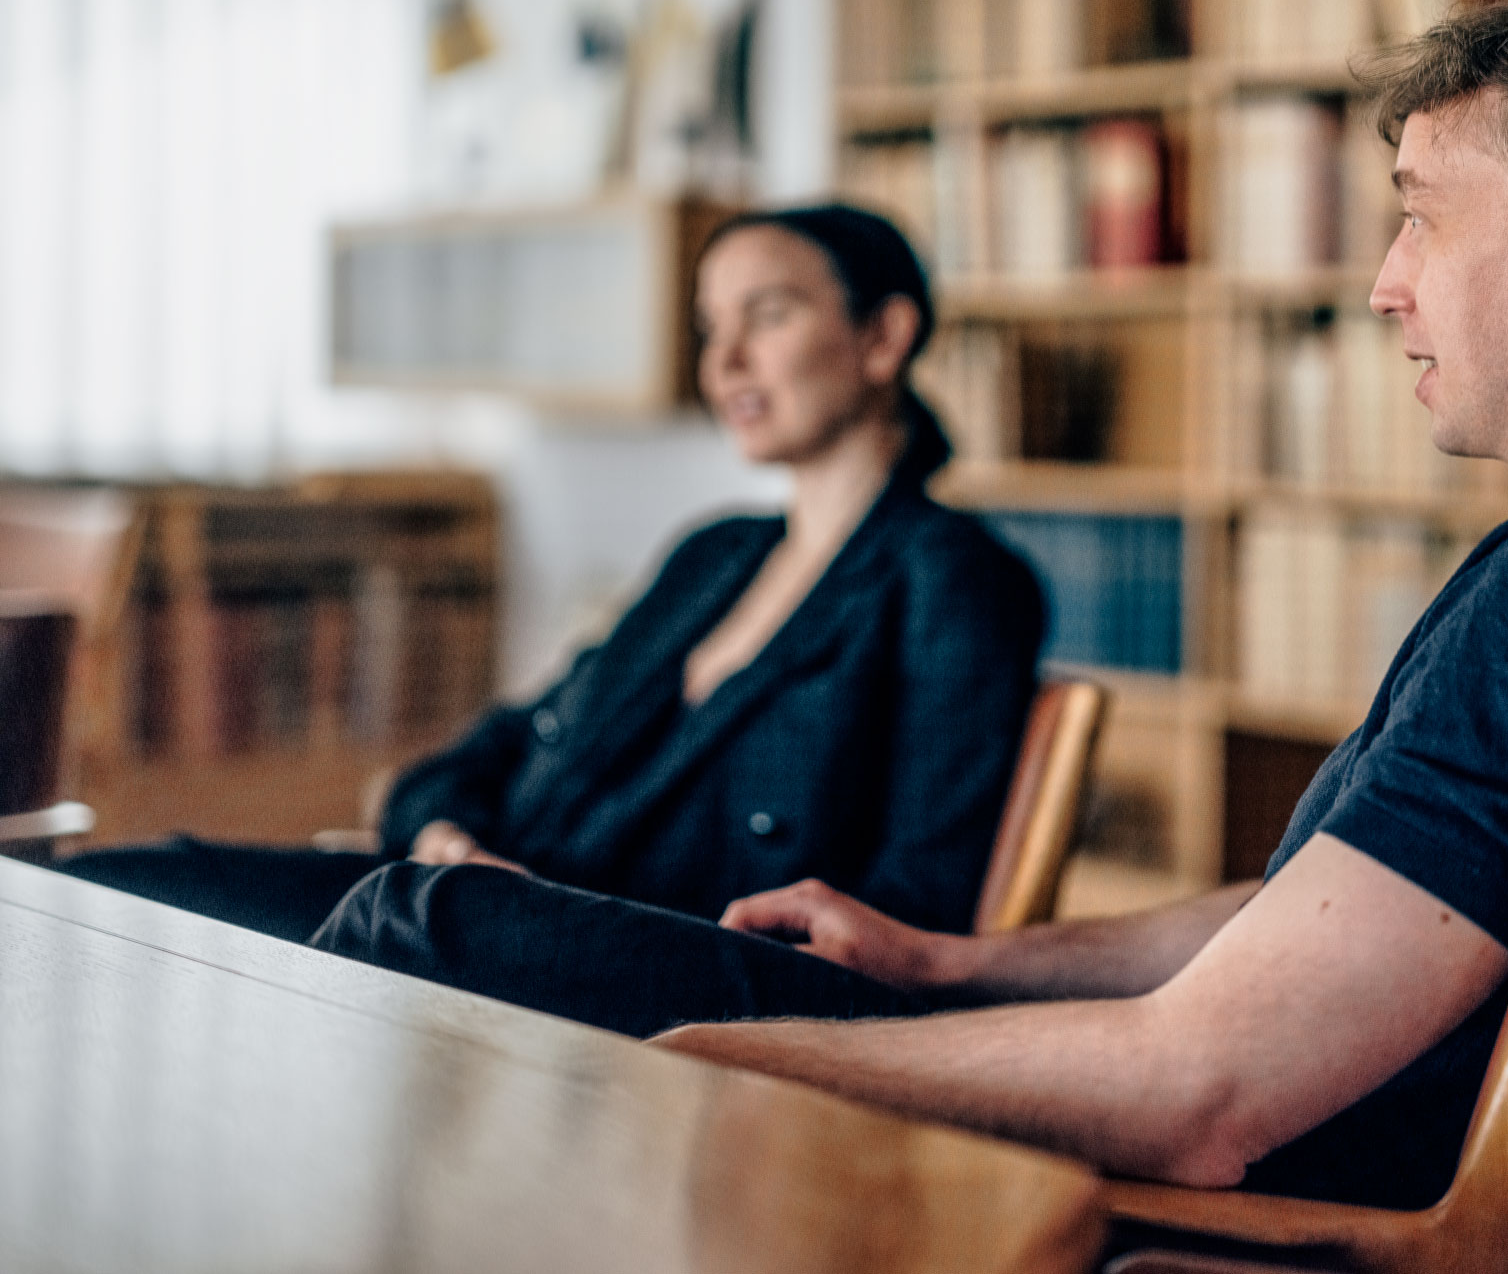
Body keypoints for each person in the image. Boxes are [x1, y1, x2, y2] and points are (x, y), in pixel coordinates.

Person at [313, 0, 1508, 1212]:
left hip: (1258, 1209)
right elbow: (1338, 928)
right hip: (1281, 1133)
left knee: (433, 928)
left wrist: (712, 1048)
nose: (1386, 280)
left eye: (1423, 213)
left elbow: (1199, 1096)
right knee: (436, 916)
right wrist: (963, 963)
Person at [63, 205, 1045, 945]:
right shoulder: (715, 555)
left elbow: (916, 909)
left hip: (660, 960)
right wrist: (446, 832)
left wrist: (491, 898)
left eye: (769, 315)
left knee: (394, 919)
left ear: (882, 338)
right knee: (114, 880)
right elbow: (484, 751)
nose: (726, 362)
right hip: (479, 904)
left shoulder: (956, 583)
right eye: (710, 328)